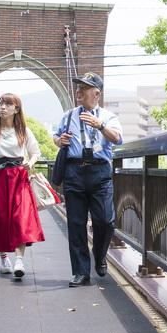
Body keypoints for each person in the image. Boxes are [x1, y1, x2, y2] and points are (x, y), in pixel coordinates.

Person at [53, 72, 123, 287]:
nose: (79, 92)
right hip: (74, 172)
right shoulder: (67, 116)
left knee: (105, 221)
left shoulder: (108, 116)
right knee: (75, 224)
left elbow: (118, 139)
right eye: (78, 88)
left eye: (84, 88)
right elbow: (56, 138)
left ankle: (100, 254)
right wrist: (60, 140)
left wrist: (99, 125)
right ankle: (81, 272)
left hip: (100, 172)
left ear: (97, 94)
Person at [0, 92, 44, 278]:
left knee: (21, 218)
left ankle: (19, 260)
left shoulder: (24, 131)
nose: (2, 107)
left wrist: (31, 162)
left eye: (7, 104)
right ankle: (4, 258)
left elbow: (35, 152)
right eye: (0, 104)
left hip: (19, 178)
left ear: (16, 109)